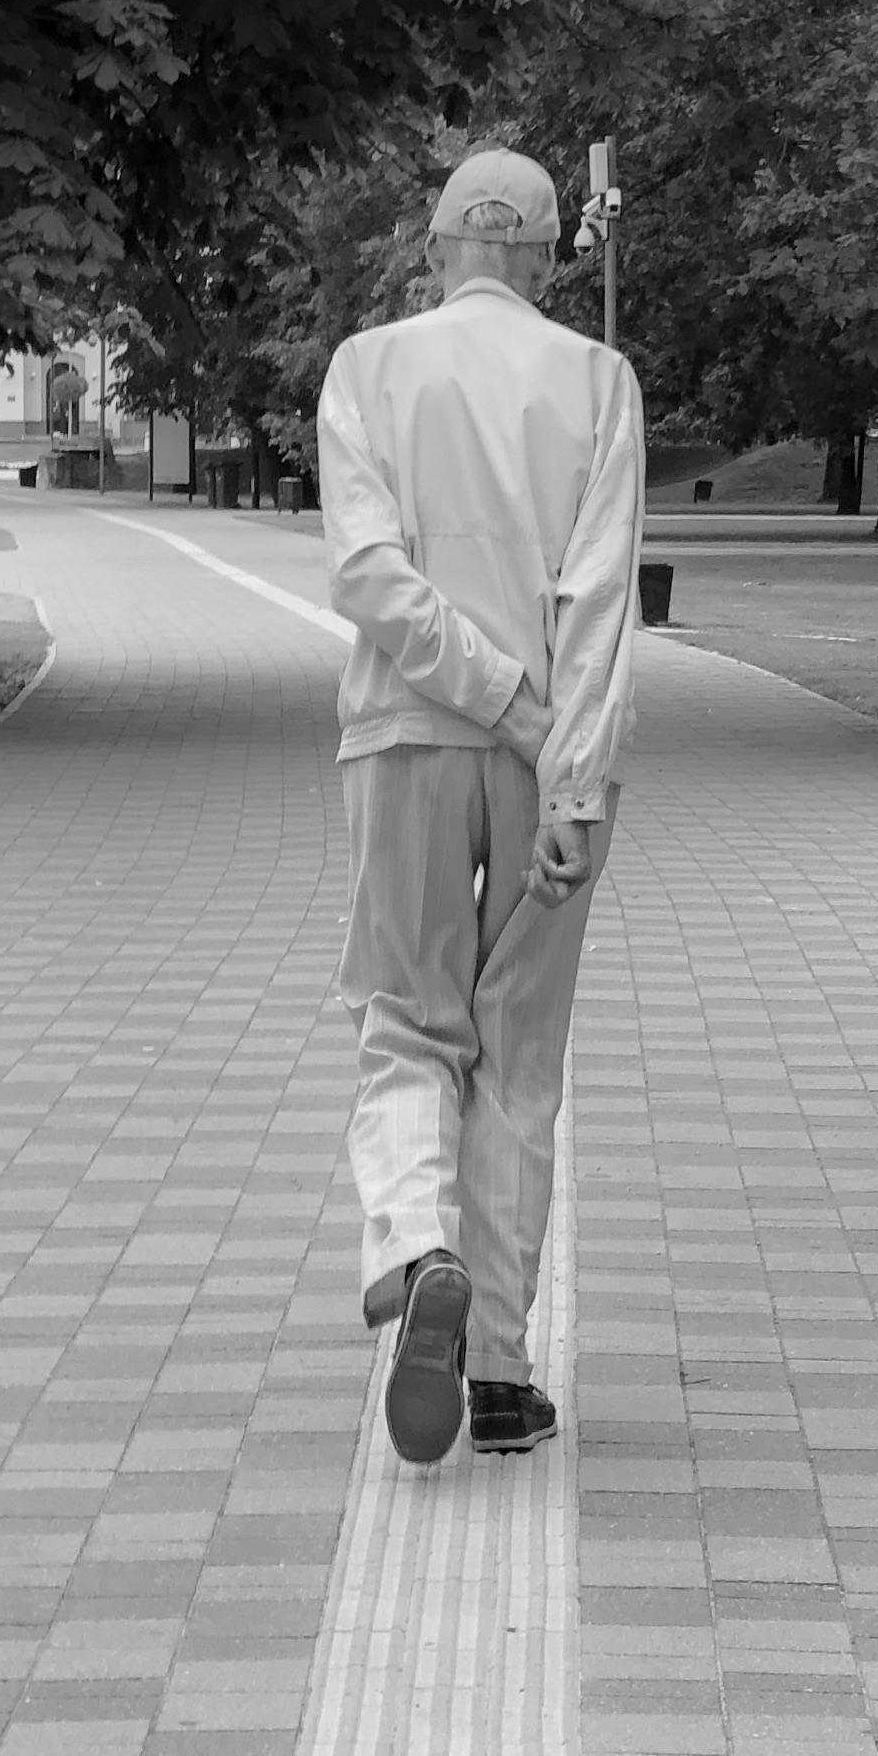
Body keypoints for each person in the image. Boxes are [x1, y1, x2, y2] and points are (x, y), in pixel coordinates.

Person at [315, 147, 644, 1466]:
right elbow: (602, 598)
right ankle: (502, 1373)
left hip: (402, 735)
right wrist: (562, 763)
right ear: (552, 255)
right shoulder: (597, 380)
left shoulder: (367, 370)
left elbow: (367, 578)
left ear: (438, 245)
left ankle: (416, 1242)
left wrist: (483, 694)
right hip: (549, 763)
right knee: (520, 1053)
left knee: (406, 1018)